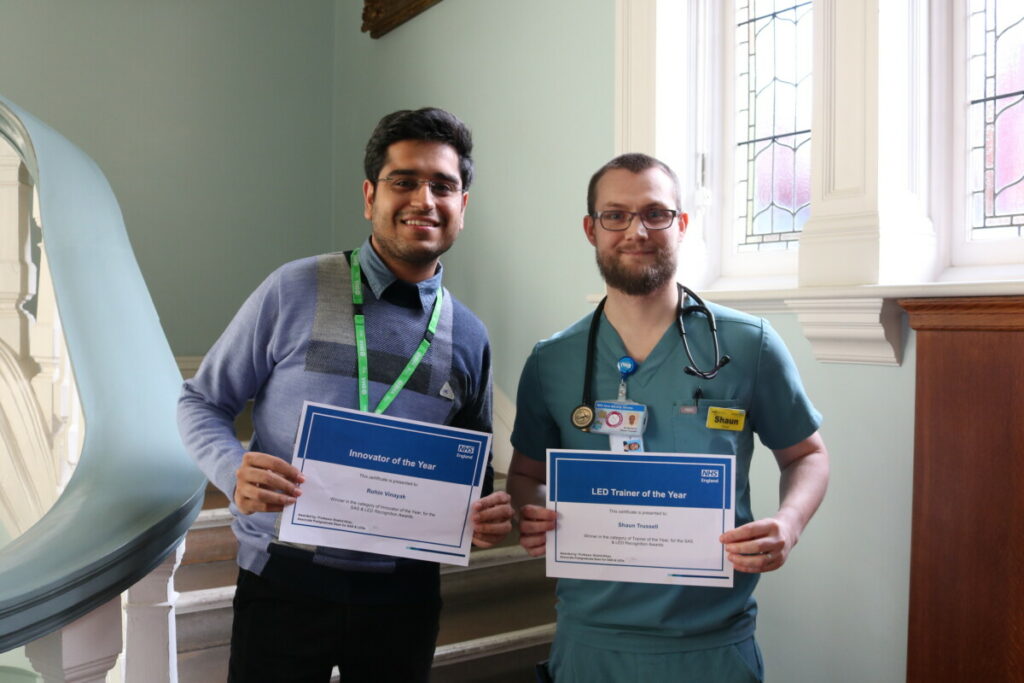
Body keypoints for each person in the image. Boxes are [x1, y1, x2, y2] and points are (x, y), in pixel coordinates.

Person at [178, 107, 513, 683]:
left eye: (443, 185)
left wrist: (482, 517)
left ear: (463, 206)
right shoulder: (295, 287)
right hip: (284, 580)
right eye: (403, 181)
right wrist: (233, 469)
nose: (424, 200)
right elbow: (200, 402)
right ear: (369, 196)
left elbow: (473, 468)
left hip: (404, 597)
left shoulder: (471, 336)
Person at [507, 153, 829, 682]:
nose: (637, 230)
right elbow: (524, 475)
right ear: (591, 230)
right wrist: (531, 510)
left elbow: (807, 454)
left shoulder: (748, 345)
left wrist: (788, 526)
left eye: (656, 213)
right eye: (616, 215)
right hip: (591, 645)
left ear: (680, 225)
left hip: (712, 645)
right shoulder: (552, 361)